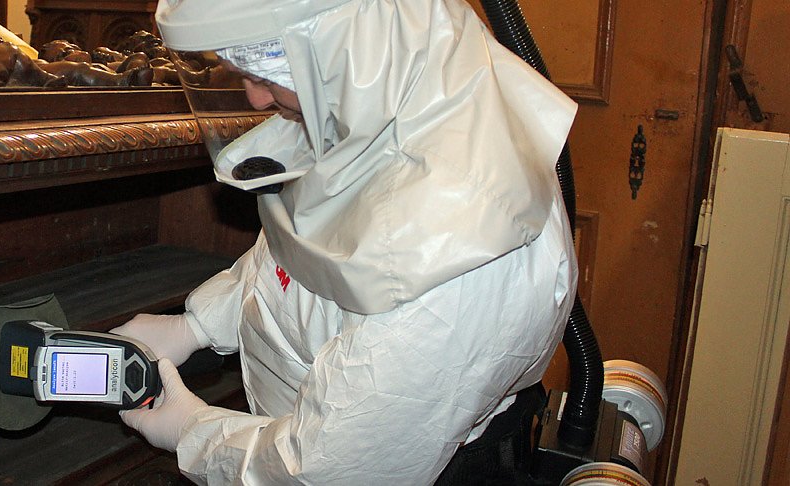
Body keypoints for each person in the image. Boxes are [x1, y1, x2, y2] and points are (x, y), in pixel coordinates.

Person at [111, 0, 579, 484]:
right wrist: (197, 326)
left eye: (264, 73)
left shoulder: (461, 248)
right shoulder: (376, 107)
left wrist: (194, 433)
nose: (255, 98)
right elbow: (310, 254)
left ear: (348, 49)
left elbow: (329, 470)